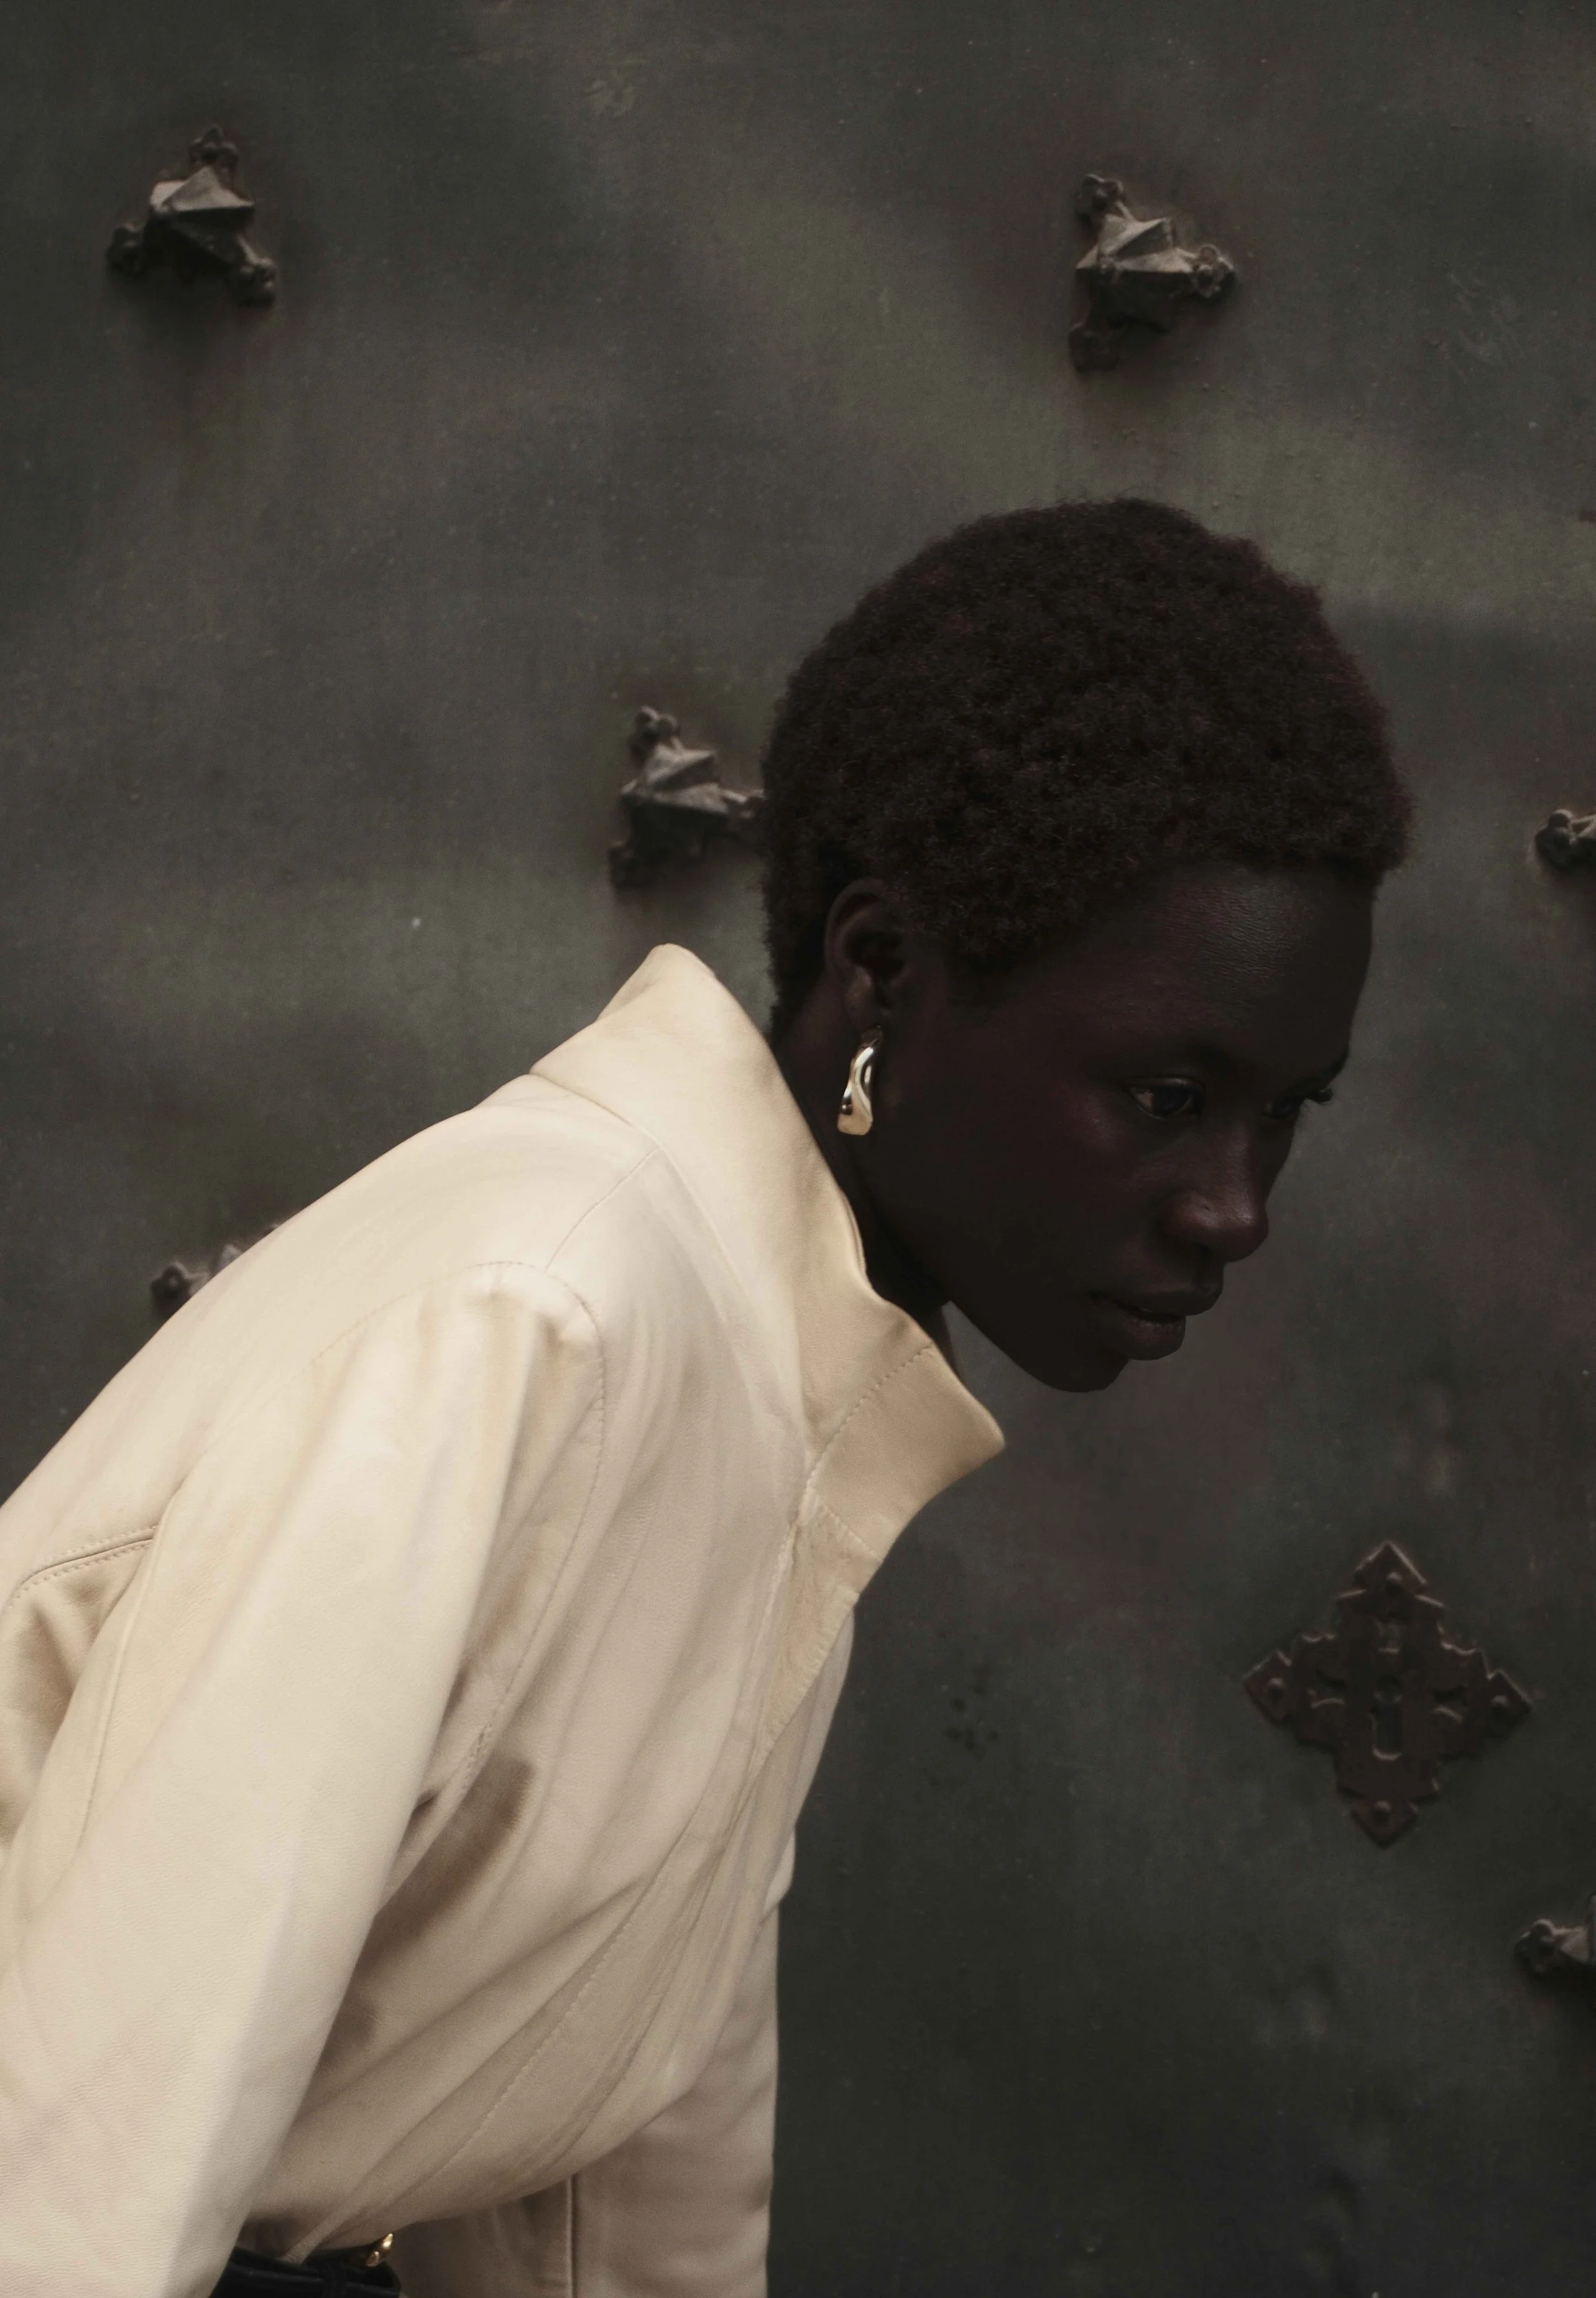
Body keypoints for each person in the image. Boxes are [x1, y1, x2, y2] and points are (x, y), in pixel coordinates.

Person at [0, 500, 1408, 2298]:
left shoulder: (781, 1380)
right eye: (1164, 1094)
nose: (1236, 1204)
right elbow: (66, 2173)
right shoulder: (533, 1314)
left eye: (1287, 1111)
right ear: (880, 967)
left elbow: (612, 2171)